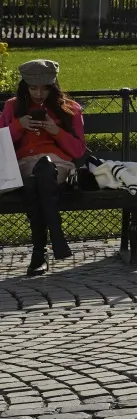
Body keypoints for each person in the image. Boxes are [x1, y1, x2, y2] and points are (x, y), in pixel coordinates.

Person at [3, 59, 85, 275]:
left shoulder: (70, 109)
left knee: (42, 173)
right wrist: (18, 126)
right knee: (37, 177)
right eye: (33, 88)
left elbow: (78, 151)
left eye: (45, 88)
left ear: (54, 86)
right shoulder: (13, 106)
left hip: (58, 166)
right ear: (25, 86)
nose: (38, 93)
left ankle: (39, 253)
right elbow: (2, 143)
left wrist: (55, 131)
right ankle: (57, 237)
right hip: (25, 166)